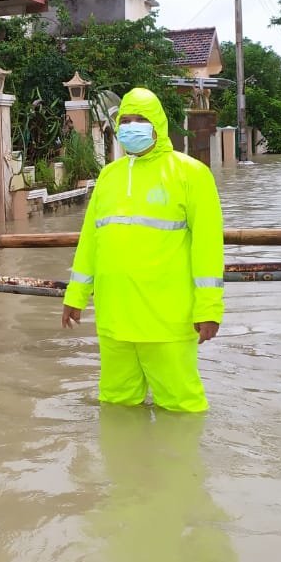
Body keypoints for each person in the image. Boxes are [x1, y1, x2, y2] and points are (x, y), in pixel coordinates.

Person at [61, 87, 224, 413]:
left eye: (140, 120)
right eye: (126, 120)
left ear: (158, 125)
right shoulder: (108, 176)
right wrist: (75, 297)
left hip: (167, 322)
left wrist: (209, 309)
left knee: (182, 410)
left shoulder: (191, 174)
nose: (131, 127)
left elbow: (208, 248)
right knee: (117, 408)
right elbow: (90, 242)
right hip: (114, 321)